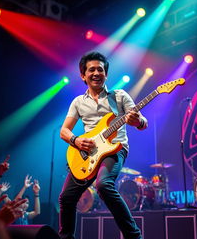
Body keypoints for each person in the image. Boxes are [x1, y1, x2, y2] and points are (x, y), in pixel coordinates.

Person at [59, 51, 148, 239]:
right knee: (66, 198)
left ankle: (134, 236)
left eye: (100, 69)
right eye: (91, 70)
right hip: (88, 153)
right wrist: (76, 140)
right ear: (83, 75)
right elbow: (64, 131)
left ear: (106, 74)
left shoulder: (120, 96)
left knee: (104, 185)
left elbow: (142, 122)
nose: (96, 73)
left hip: (114, 149)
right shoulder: (78, 102)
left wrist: (136, 121)